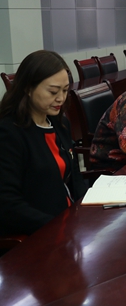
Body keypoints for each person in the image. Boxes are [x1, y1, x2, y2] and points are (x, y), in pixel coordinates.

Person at [0, 50, 87, 236]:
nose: (61, 98)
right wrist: (57, 227)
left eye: (65, 90)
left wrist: (88, 207)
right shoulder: (9, 133)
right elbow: (8, 204)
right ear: (28, 88)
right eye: (53, 92)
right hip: (38, 233)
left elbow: (75, 177)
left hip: (69, 224)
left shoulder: (60, 124)